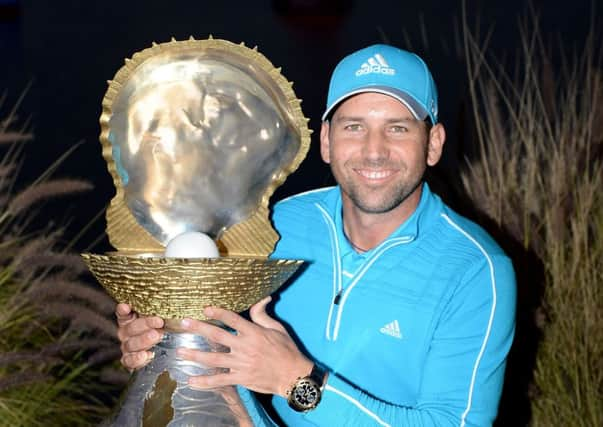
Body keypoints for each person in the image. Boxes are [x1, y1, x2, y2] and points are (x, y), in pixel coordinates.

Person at [116, 44, 516, 426]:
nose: (374, 150)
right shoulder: (276, 225)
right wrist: (161, 340)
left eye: (397, 128)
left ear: (433, 144)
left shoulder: (477, 271)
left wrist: (297, 381)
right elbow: (219, 344)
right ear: (326, 141)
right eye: (354, 127)